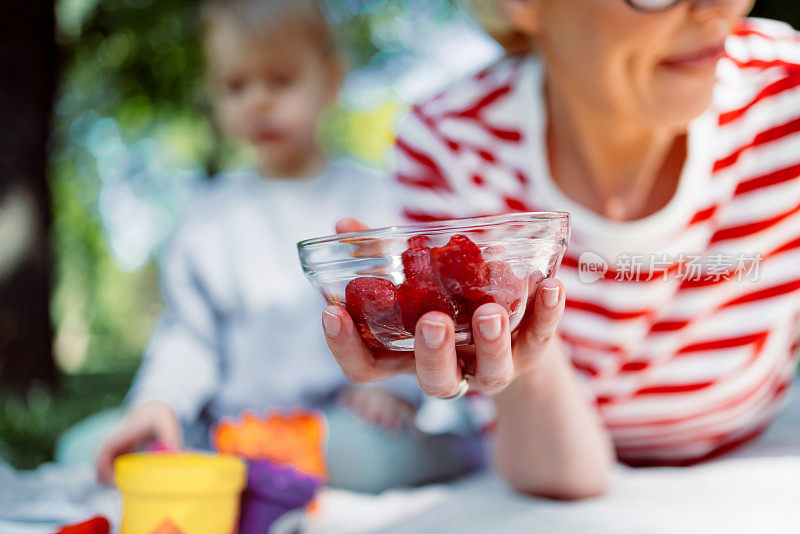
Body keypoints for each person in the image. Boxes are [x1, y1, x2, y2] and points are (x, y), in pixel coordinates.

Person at [321, 0, 800, 499]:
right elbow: (565, 475)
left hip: (756, 445)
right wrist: (517, 349)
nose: (719, 9)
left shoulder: (787, 94)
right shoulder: (453, 143)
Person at [95, 0, 481, 493]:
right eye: (236, 86)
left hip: (336, 425)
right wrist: (159, 403)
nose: (257, 101)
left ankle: (461, 451)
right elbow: (188, 335)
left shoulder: (374, 198)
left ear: (332, 81)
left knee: (362, 457)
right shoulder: (207, 216)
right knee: (96, 448)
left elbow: (405, 313)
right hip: (229, 432)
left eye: (279, 81)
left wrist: (396, 391)